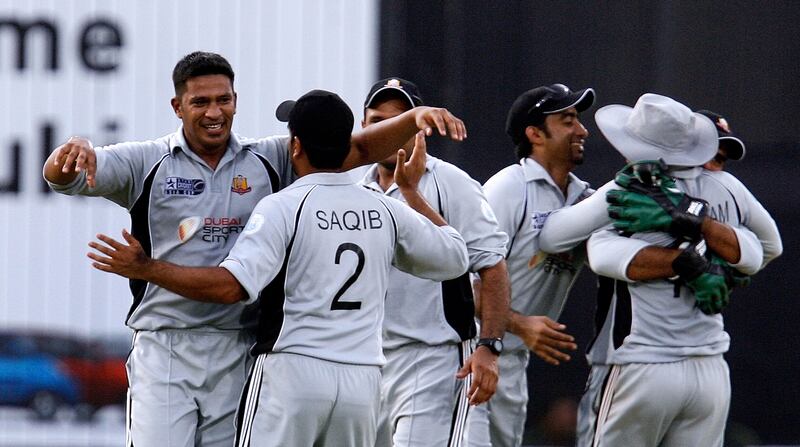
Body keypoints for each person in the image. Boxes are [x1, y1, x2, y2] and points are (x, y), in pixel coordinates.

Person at [42, 51, 467, 447]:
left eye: (223, 100)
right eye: (200, 102)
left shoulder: (267, 159)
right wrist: (69, 152)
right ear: (177, 107)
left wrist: (414, 120)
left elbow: (355, 148)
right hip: (166, 344)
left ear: (236, 100)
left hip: (238, 345)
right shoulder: (147, 161)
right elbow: (65, 178)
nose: (214, 112)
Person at [536, 102, 781, 447]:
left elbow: (552, 236)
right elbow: (767, 249)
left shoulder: (627, 189)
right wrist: (711, 263)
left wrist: (683, 243)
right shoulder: (727, 187)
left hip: (639, 365)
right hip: (708, 370)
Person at [357, 78, 510, 447]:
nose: (386, 130)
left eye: (401, 120)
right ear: (364, 127)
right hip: (367, 363)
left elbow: (492, 267)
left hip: (434, 360)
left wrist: (489, 347)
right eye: (377, 120)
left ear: (418, 127)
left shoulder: (451, 183)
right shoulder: (355, 189)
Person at [465, 83, 595, 447]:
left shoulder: (584, 197)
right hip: (468, 354)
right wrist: (520, 325)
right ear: (535, 133)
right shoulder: (509, 187)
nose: (581, 130)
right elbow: (458, 285)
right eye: (567, 120)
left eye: (578, 120)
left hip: (513, 359)